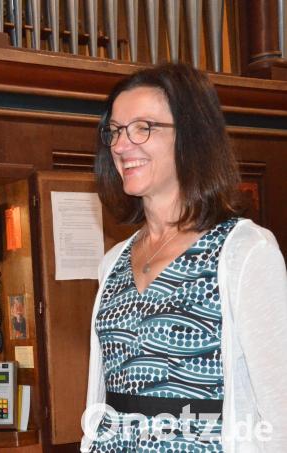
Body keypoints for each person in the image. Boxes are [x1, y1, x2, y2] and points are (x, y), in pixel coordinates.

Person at [81, 63, 287, 452]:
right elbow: (102, 403)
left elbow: (280, 410)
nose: (121, 145)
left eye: (143, 127)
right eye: (115, 131)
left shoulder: (244, 251)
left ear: (192, 137)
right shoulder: (113, 262)